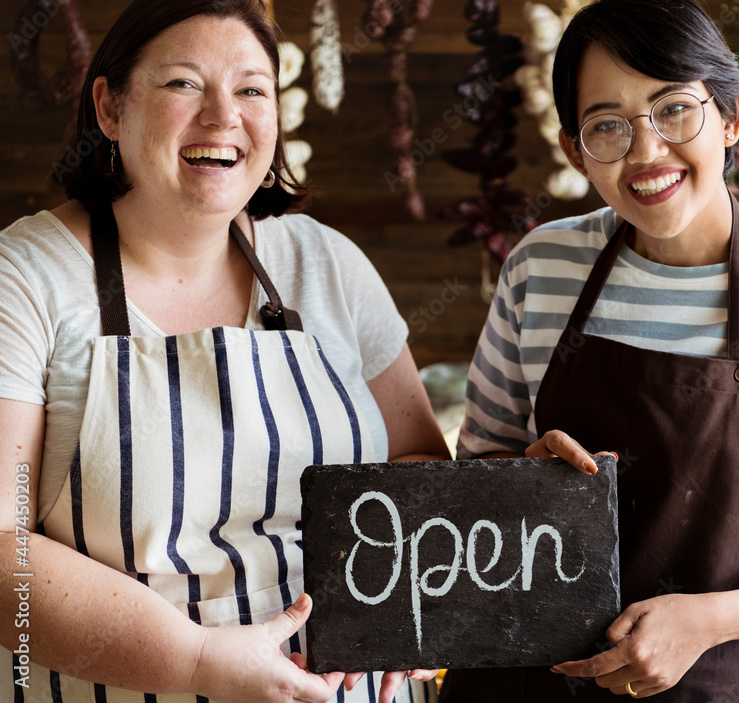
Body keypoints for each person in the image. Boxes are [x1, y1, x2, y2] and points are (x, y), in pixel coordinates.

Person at [441, 0, 739, 700]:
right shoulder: (540, 269)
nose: (645, 153)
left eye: (673, 109)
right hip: (524, 680)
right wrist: (521, 476)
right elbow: (475, 470)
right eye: (607, 125)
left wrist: (708, 618)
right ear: (574, 151)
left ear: (731, 116)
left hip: (719, 683)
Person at [0, 1, 448, 701]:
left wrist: (404, 613)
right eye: (183, 84)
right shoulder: (27, 275)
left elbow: (419, 467)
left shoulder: (325, 261)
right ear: (110, 108)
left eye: (251, 89)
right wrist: (196, 661)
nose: (222, 117)